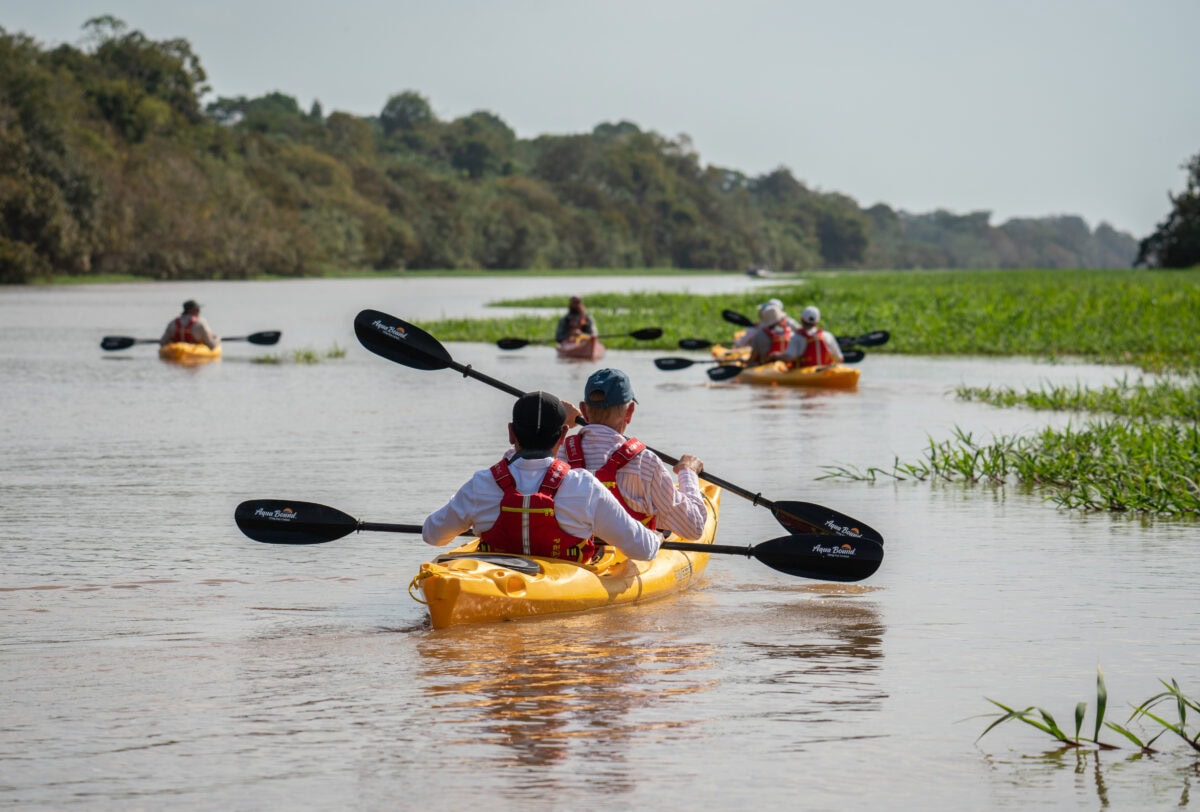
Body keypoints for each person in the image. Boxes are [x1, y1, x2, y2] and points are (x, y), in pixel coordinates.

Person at [422, 391, 664, 562]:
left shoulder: (481, 484)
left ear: (510, 433)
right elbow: (642, 550)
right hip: (563, 587)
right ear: (563, 437)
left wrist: (461, 502)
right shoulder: (584, 487)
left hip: (494, 580)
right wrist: (657, 537)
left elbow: (432, 535)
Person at [560, 368, 708, 540]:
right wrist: (687, 472)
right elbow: (694, 528)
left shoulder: (559, 453)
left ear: (584, 411)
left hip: (575, 554)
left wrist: (556, 419)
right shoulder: (645, 463)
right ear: (629, 413)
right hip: (629, 554)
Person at [774, 305, 844, 367]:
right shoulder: (827, 335)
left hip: (805, 374)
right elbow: (840, 359)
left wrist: (776, 356)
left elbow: (788, 358)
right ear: (817, 321)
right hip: (825, 372)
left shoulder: (797, 337)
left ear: (801, 320)